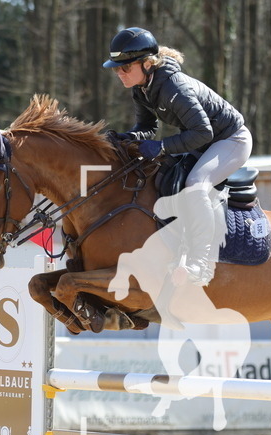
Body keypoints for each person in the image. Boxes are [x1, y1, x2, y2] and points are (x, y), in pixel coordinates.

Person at [103, 26, 252, 286]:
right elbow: (147, 128)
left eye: (125, 68)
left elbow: (203, 132)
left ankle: (201, 263)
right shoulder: (141, 88)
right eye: (117, 68)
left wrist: (161, 147)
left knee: (196, 184)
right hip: (202, 140)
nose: (120, 73)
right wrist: (129, 138)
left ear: (148, 64)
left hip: (230, 140)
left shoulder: (174, 87)